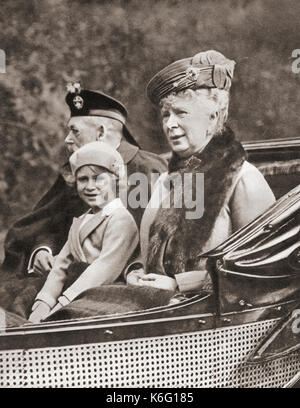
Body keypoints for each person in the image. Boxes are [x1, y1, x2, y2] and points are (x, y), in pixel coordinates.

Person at [126, 50, 276, 294]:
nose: (170, 124)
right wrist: (135, 271)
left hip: (213, 321)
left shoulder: (243, 179)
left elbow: (263, 268)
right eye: (166, 115)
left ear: (213, 117)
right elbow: (146, 253)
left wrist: (180, 285)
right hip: (156, 307)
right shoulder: (166, 181)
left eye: (181, 113)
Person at [1, 84, 167, 281]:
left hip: (132, 281)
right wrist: (42, 250)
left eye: (75, 131)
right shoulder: (75, 172)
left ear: (101, 133)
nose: (67, 139)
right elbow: (50, 224)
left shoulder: (153, 170)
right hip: (66, 277)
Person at [29, 141, 139, 323]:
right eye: (83, 179)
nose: (90, 186)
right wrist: (43, 304)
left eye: (98, 179)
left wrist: (61, 304)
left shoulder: (121, 219)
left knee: (68, 318)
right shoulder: (81, 220)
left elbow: (103, 269)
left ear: (115, 179)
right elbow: (61, 266)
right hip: (76, 289)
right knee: (24, 301)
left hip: (102, 291)